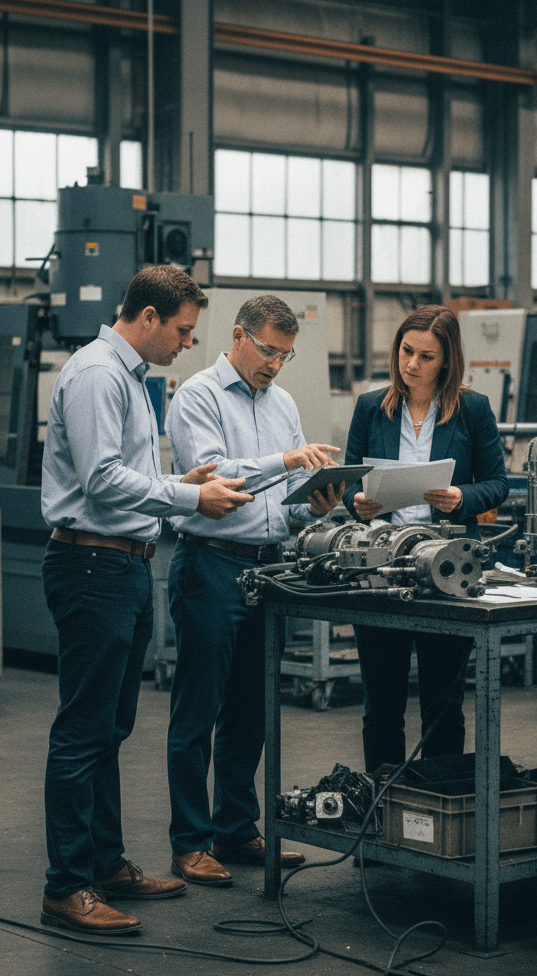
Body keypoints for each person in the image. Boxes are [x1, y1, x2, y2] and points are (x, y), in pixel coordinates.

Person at [40, 265, 254, 934]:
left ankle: (103, 864)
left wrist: (175, 481)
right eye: (184, 330)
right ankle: (66, 884)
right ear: (150, 317)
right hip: (92, 565)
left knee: (110, 728)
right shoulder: (100, 374)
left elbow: (122, 473)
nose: (189, 343)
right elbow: (102, 481)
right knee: (82, 732)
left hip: (123, 564)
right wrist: (190, 497)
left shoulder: (128, 378)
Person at [164, 294, 345, 886]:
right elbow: (216, 477)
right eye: (268, 351)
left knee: (252, 712)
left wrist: (316, 503)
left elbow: (281, 501)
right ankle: (190, 842)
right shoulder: (197, 396)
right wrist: (287, 459)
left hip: (270, 569)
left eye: (285, 356)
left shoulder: (284, 402)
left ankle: (235, 829)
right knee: (198, 711)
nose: (274, 365)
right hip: (211, 567)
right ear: (239, 336)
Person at [342, 305, 509, 773]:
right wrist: (358, 500)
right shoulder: (371, 406)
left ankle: (439, 817)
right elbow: (350, 482)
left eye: (426, 356)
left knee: (443, 705)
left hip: (446, 568)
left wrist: (461, 496)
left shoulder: (473, 409)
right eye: (406, 350)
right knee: (382, 706)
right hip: (382, 564)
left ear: (448, 361)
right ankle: (381, 819)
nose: (411, 364)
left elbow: (498, 483)